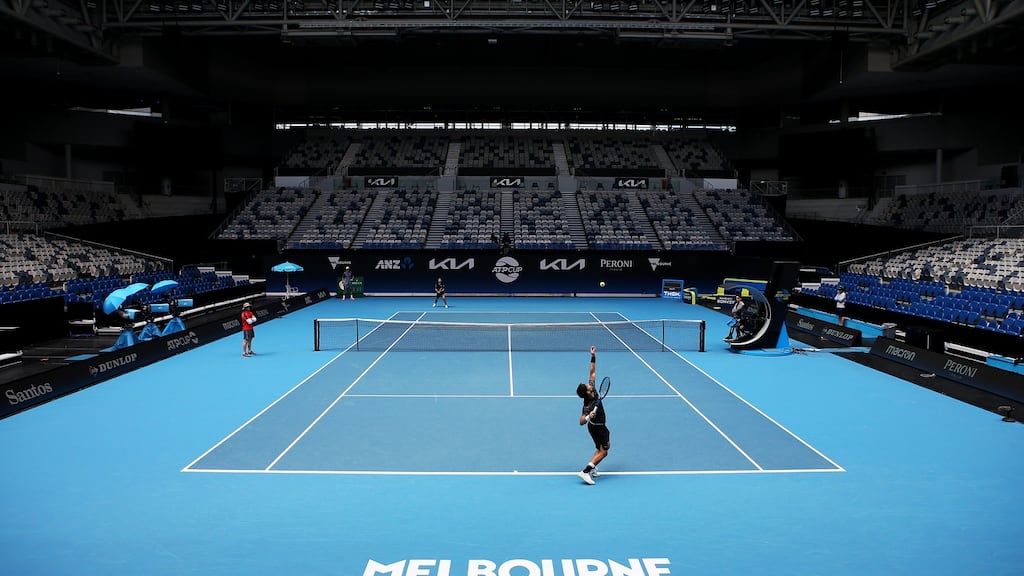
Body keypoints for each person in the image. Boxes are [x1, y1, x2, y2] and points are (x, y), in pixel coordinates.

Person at [576, 345, 609, 485]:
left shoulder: (593, 389)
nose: (589, 383)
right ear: (587, 392)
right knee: (604, 451)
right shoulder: (588, 404)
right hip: (597, 427)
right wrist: (590, 416)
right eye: (587, 385)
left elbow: (592, 372)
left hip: (597, 427)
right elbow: (581, 421)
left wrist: (593, 355)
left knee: (599, 448)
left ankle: (593, 468)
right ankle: (585, 471)